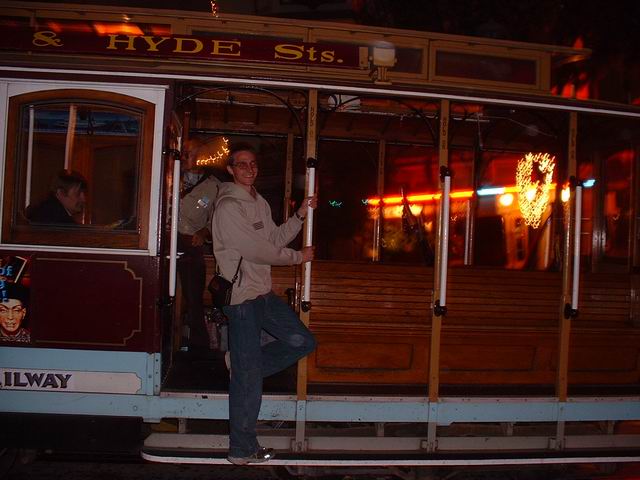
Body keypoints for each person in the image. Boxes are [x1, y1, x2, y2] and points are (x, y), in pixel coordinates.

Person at [212, 144, 317, 465]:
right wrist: (298, 257)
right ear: (230, 170)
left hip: (261, 293)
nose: (249, 168)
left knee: (302, 341)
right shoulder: (229, 206)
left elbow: (272, 240)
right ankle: (241, 450)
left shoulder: (258, 201)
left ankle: (241, 364)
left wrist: (299, 216)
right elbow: (257, 251)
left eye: (253, 163)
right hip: (242, 298)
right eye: (242, 164)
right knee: (248, 380)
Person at [177, 139, 223, 357]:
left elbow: (217, 220)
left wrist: (203, 233)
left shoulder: (213, 186)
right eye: (184, 152)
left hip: (190, 244)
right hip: (163, 242)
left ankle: (199, 350)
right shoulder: (168, 176)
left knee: (194, 299)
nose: (186, 156)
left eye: (191, 153)